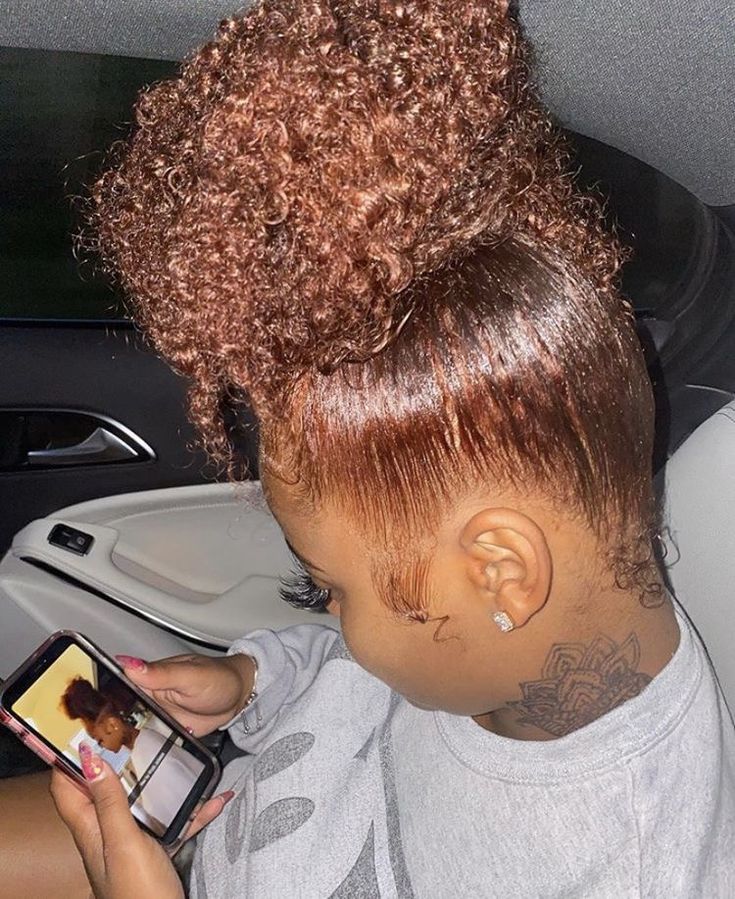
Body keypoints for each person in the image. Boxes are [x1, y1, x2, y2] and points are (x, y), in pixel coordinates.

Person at [1, 1, 734, 896]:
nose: (330, 611)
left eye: (329, 588)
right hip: (215, 806)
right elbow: (353, 670)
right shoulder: (495, 645)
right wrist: (251, 677)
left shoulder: (632, 868)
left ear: (502, 572)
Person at [60, 677, 206, 834]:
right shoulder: (147, 741)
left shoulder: (145, 755)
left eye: (100, 740)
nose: (102, 746)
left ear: (112, 725)